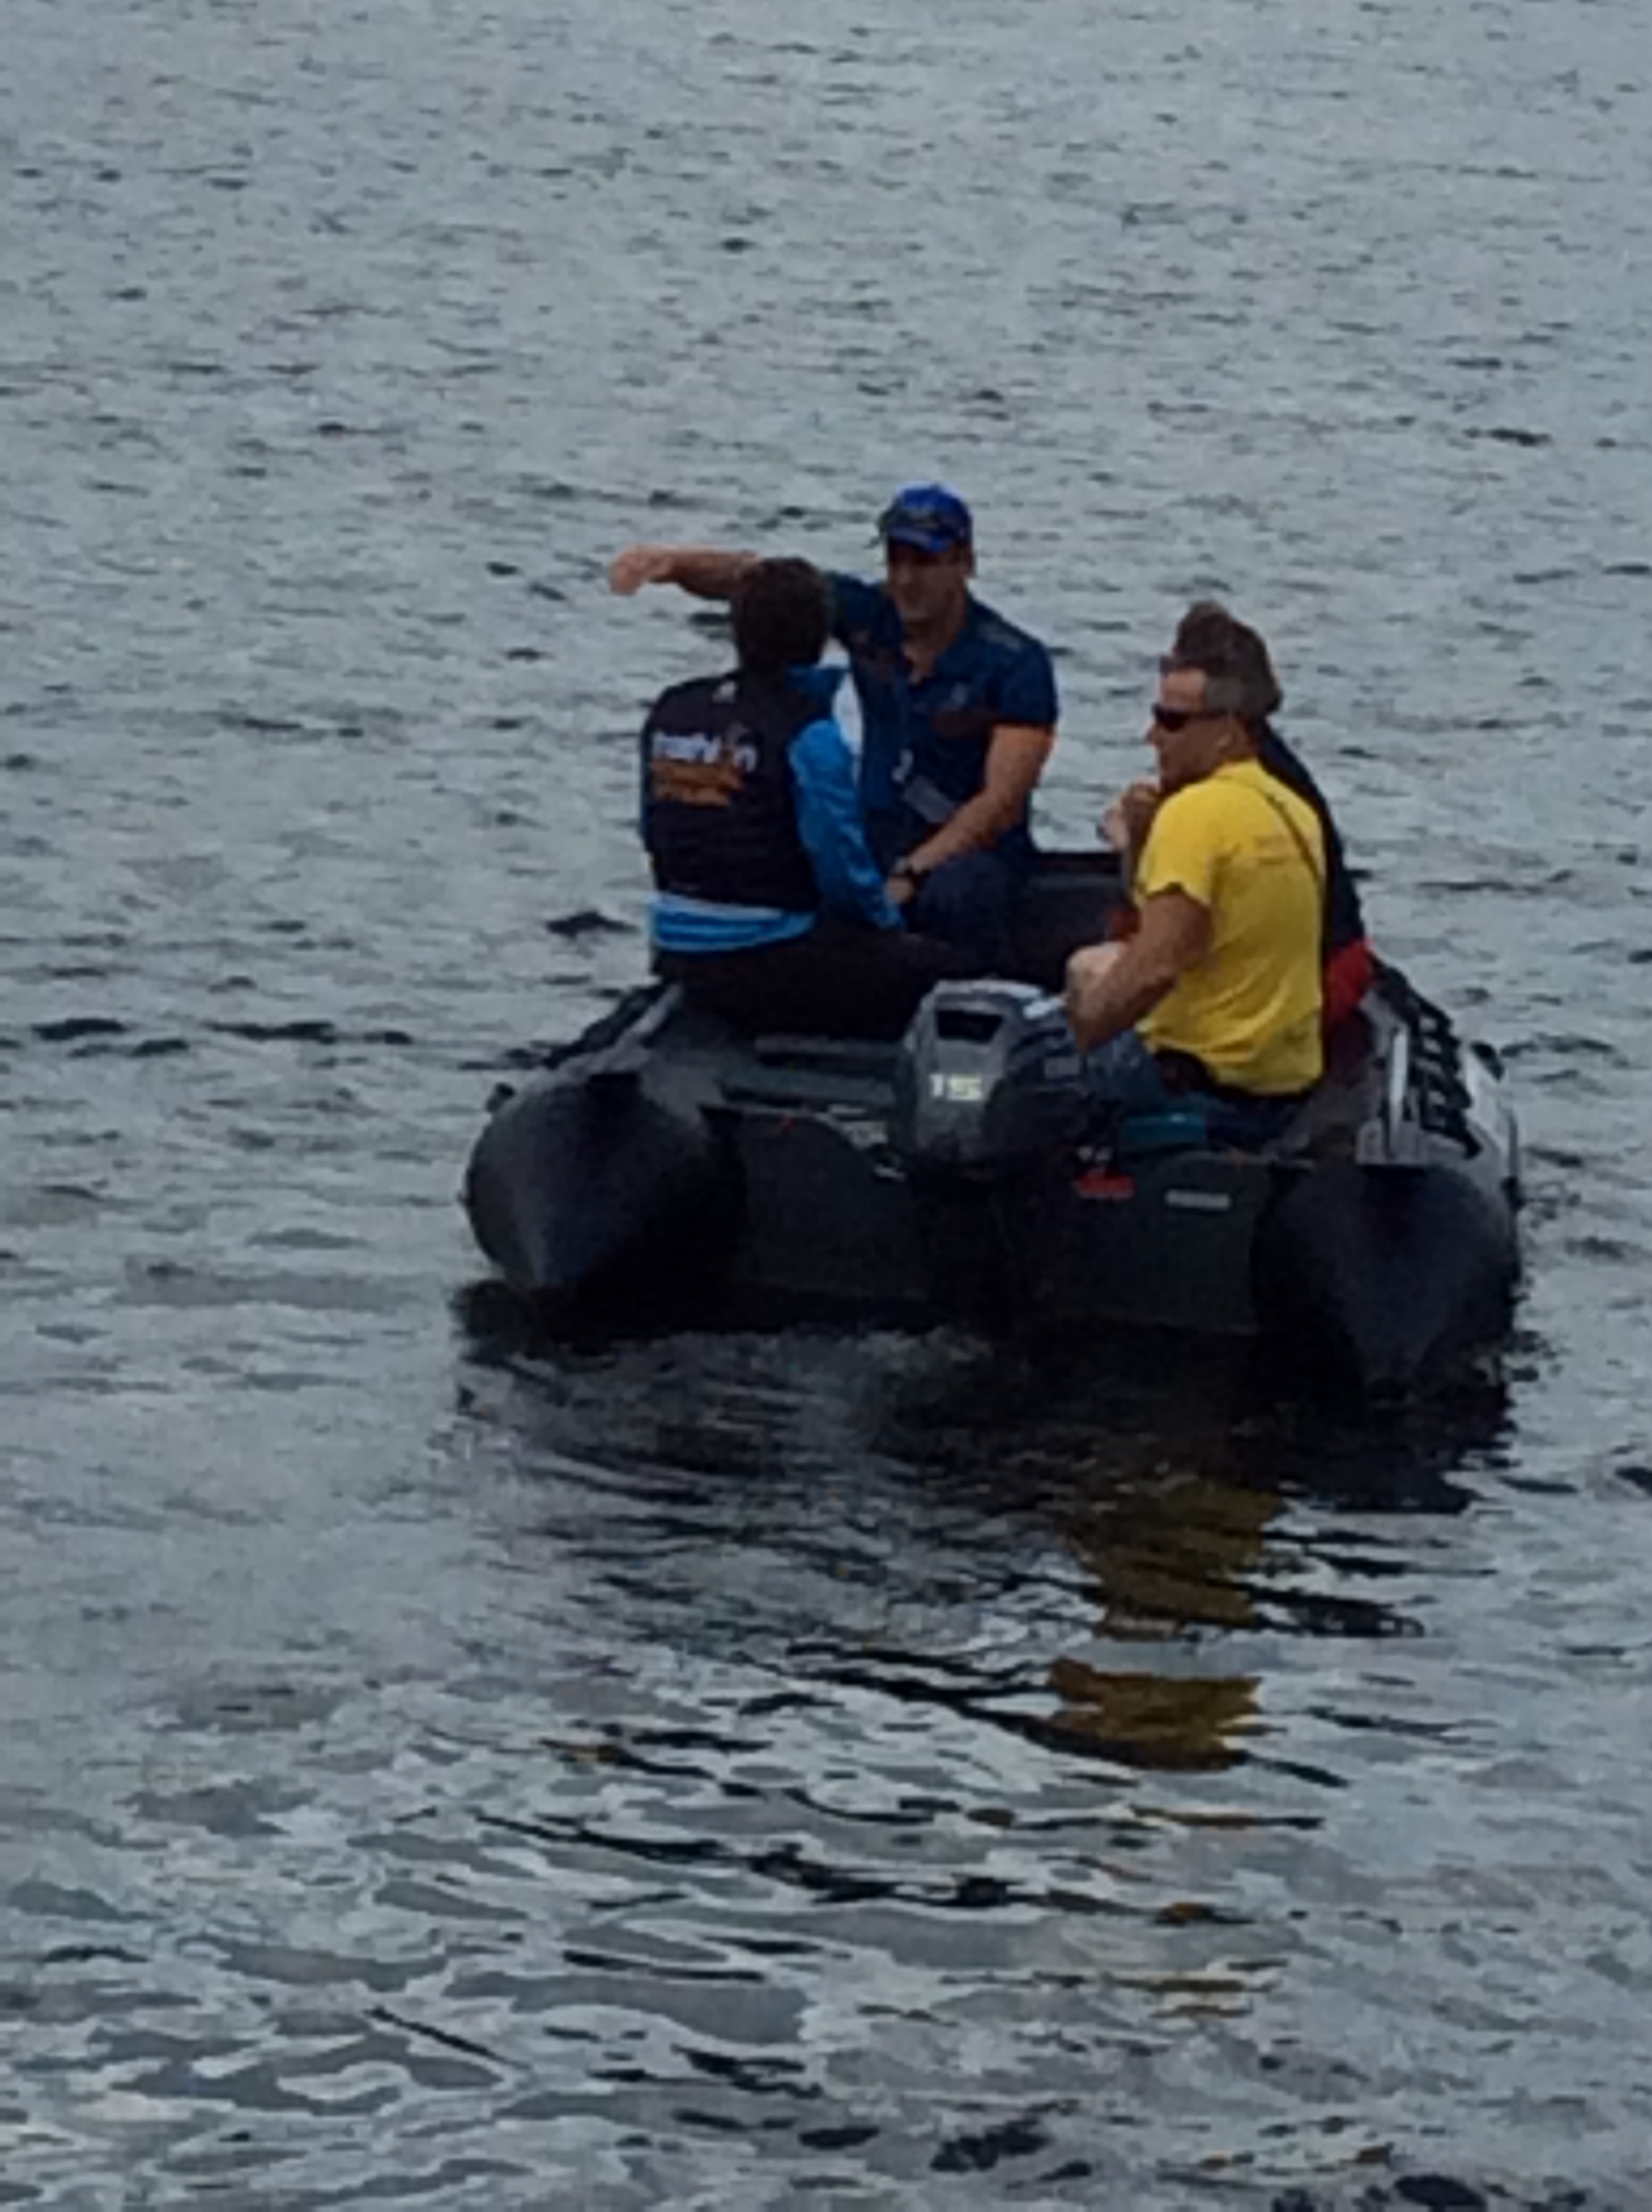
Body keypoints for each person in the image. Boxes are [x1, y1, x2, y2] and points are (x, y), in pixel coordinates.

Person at [610, 484, 1058, 973]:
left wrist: (912, 872)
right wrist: (673, 563)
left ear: (964, 562)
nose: (906, 579)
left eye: (924, 563)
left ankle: (982, 989)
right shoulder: (869, 614)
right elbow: (760, 580)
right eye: (895, 560)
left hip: (970, 852)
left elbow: (1000, 802)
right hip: (879, 832)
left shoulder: (1015, 662)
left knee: (956, 894)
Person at [639, 556, 977, 1039]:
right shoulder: (807, 732)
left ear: (738, 629)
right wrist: (889, 924)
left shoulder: (672, 709)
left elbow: (654, 829)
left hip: (674, 944)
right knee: (958, 969)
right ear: (819, 639)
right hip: (769, 954)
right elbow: (840, 867)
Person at [1065, 606, 1328, 1147]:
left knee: (1023, 1068)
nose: (1152, 736)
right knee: (1091, 971)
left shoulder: (1194, 816)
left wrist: (1068, 1048)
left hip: (1196, 1084)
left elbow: (1155, 967)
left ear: (1226, 731)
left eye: (1172, 721)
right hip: (1278, 1085)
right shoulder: (1291, 808)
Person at [1103, 601, 1373, 1033]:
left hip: (1314, 977)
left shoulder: (1220, 798)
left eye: (1175, 718)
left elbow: (1164, 926)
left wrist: (1136, 839)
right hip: (1332, 956)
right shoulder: (1268, 772)